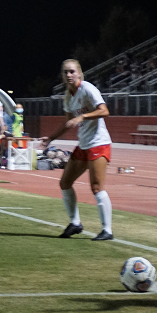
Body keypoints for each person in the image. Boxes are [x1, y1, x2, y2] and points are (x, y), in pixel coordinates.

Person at [40, 59, 114, 241]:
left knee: (96, 187)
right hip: (83, 144)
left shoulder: (87, 88)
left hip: (99, 143)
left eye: (72, 71)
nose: (69, 75)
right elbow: (68, 123)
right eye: (65, 72)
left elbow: (104, 111)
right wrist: (50, 138)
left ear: (79, 73)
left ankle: (107, 230)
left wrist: (82, 117)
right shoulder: (68, 96)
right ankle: (75, 223)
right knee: (65, 183)